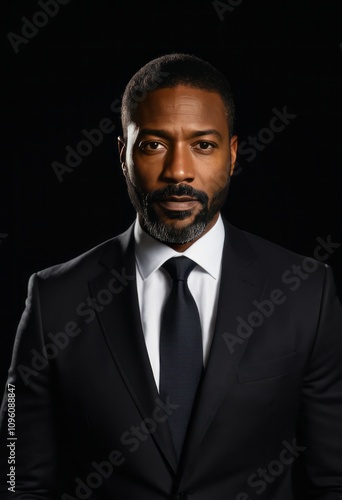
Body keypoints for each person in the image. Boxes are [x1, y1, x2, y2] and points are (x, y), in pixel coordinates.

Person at [0, 53, 341, 500]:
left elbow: (334, 479)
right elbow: (15, 477)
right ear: (123, 154)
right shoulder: (53, 299)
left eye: (203, 145)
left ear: (233, 154)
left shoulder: (305, 293)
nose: (178, 171)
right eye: (154, 144)